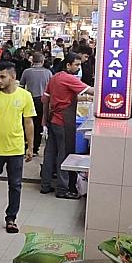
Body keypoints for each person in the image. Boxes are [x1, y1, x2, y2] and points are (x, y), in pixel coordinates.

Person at [0, 63, 36, 234]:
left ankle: (11, 217)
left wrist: (30, 146)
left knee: (16, 185)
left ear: (13, 77)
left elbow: (28, 122)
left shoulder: (25, 96)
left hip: (16, 148)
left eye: (2, 77)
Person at [41, 52, 89, 198]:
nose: (79, 68)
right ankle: (62, 189)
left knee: (49, 154)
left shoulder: (54, 77)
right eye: (77, 65)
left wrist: (44, 121)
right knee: (64, 155)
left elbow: (45, 100)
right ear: (68, 65)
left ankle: (45, 185)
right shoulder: (69, 79)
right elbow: (91, 90)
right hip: (63, 122)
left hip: (52, 120)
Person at [21, 54, 53, 156]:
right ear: (42, 61)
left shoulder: (27, 72)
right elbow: (51, 88)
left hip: (28, 99)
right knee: (39, 124)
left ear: (32, 60)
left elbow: (21, 86)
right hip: (42, 101)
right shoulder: (48, 72)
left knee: (27, 123)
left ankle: (26, 147)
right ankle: (35, 148)